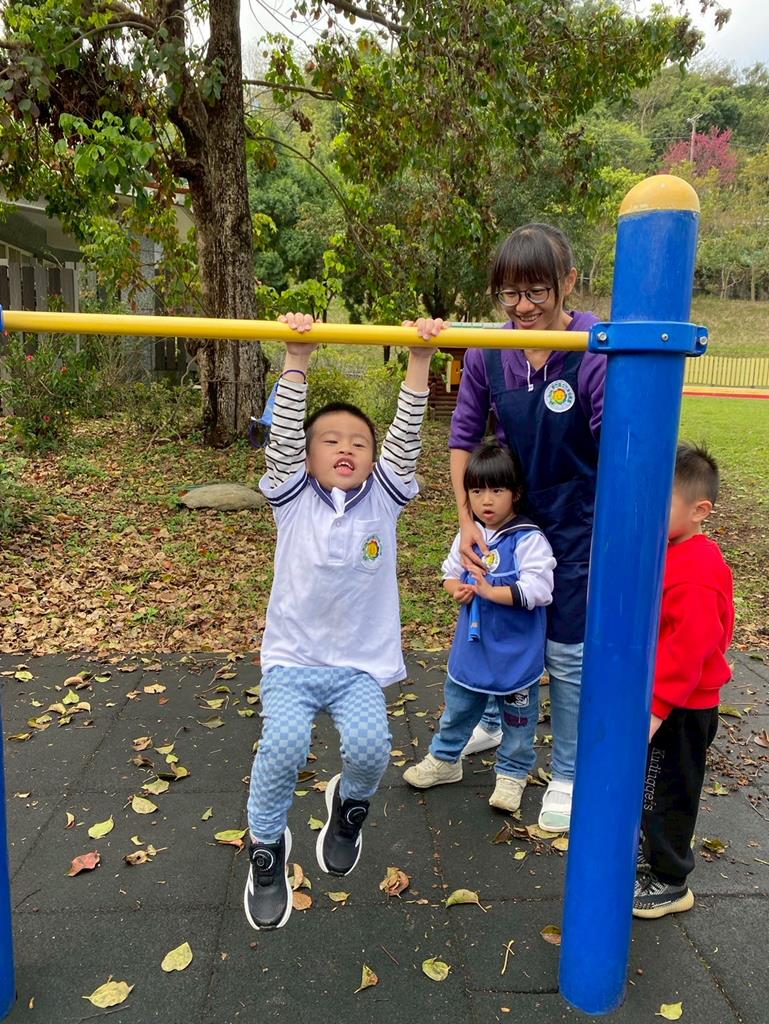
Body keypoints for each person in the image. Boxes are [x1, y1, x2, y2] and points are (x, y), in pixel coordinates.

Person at [244, 312, 436, 930]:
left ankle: (347, 806)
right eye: (329, 441)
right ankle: (267, 846)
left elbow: (406, 437)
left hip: (357, 666)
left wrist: (419, 360)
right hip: (293, 662)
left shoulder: (384, 498)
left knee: (373, 749)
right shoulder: (291, 497)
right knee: (283, 746)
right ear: (306, 457)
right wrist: (296, 359)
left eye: (358, 442)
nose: (345, 448)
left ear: (375, 460)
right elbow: (282, 440)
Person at [444, 223, 606, 832]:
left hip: (578, 521)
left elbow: (614, 437)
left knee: (565, 651)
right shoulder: (489, 353)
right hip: (511, 517)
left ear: (568, 282)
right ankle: (491, 723)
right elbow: (464, 438)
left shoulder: (594, 347)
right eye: (510, 294)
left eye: (537, 291)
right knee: (494, 622)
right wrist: (467, 520)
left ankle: (565, 772)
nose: (523, 307)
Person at [402, 441, 555, 812]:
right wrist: (456, 588)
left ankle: (513, 772)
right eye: (476, 491)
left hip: (515, 650)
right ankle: (445, 759)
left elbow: (540, 588)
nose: (486, 500)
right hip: (473, 647)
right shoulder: (470, 535)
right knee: (458, 705)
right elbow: (449, 572)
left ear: (515, 493)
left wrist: (490, 592)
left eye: (497, 490)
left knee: (518, 719)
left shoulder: (528, 538)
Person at [634, 443, 734, 919]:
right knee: (652, 789)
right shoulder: (675, 551)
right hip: (671, 698)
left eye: (661, 501)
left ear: (700, 511)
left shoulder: (696, 570)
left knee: (667, 794)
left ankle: (671, 881)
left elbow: (690, 649)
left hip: (682, 706)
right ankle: (652, 857)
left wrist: (656, 708)